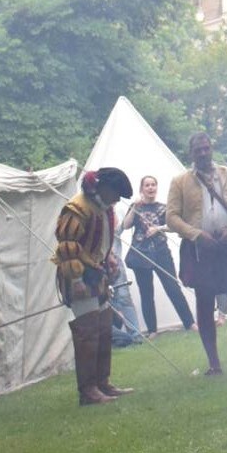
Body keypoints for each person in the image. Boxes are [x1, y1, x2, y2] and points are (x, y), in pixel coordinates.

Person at [166, 132, 227, 375]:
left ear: (212, 149)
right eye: (198, 150)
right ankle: (214, 364)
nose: (203, 153)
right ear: (191, 153)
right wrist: (196, 234)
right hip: (200, 249)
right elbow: (171, 216)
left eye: (206, 148)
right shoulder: (180, 181)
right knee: (205, 304)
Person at [52, 166, 135, 406]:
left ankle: (102, 383)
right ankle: (88, 390)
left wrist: (108, 259)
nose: (118, 199)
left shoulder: (102, 207)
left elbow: (99, 243)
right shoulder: (77, 208)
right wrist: (76, 280)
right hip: (78, 275)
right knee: (88, 331)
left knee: (103, 328)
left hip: (95, 273)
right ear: (103, 188)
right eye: (116, 193)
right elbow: (67, 246)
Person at [121, 175, 195, 337]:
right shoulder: (136, 207)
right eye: (147, 185)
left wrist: (158, 228)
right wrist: (134, 207)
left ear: (156, 187)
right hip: (141, 254)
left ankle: (189, 322)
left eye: (153, 184)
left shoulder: (164, 207)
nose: (150, 188)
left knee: (173, 288)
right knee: (146, 293)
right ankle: (152, 330)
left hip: (161, 253)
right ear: (142, 189)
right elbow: (125, 226)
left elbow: (175, 226)